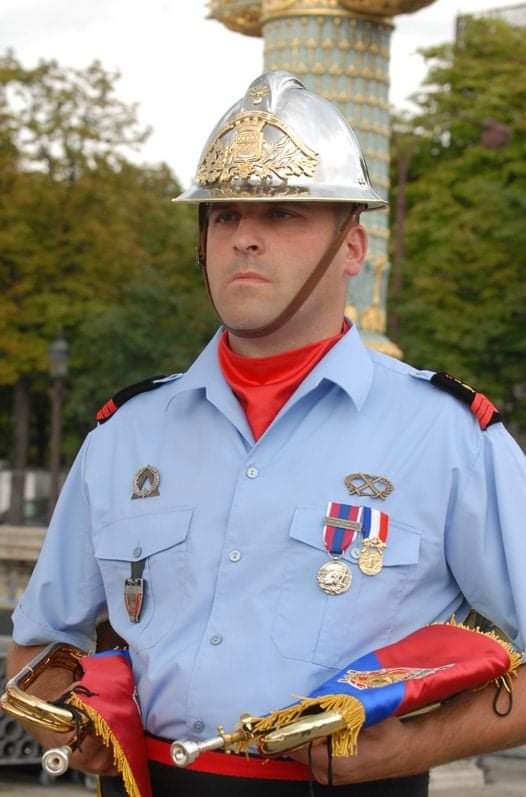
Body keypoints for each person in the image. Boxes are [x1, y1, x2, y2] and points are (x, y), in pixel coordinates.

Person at [6, 71, 526, 797]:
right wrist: (71, 721)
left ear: (353, 248)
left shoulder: (448, 436)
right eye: (223, 215)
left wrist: (416, 746)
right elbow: (40, 643)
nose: (244, 237)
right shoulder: (124, 434)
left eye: (282, 213)